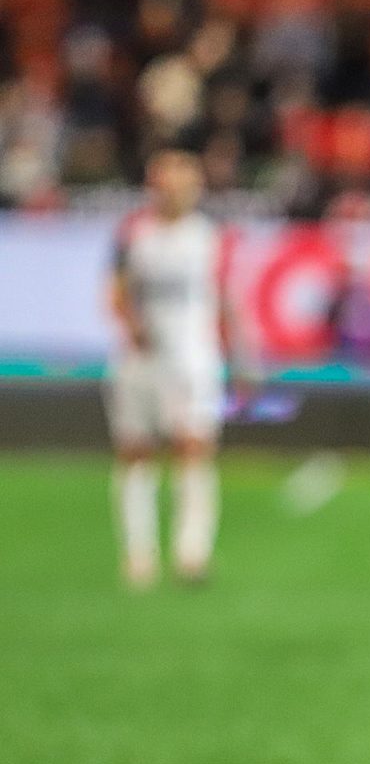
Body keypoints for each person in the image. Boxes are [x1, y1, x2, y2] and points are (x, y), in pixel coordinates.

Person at [106, 148, 244, 587]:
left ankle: (192, 553)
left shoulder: (208, 235)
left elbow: (223, 297)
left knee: (194, 448)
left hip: (193, 359)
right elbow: (117, 290)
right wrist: (132, 326)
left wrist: (237, 352)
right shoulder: (134, 233)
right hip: (141, 361)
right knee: (136, 452)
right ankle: (139, 554)